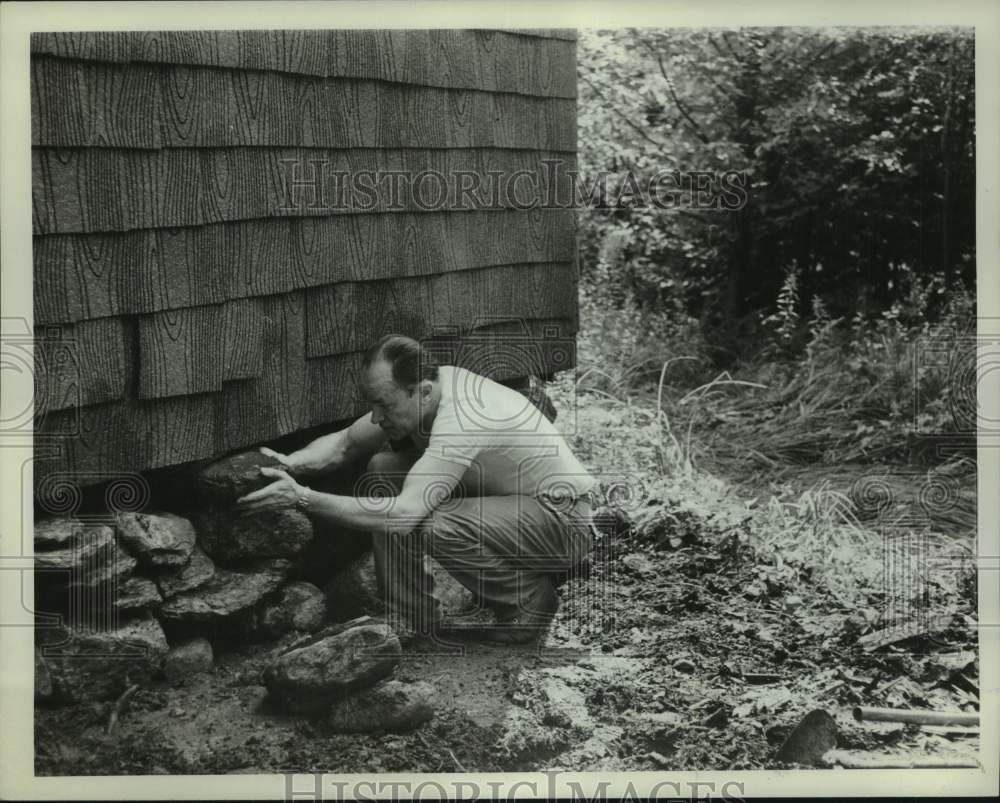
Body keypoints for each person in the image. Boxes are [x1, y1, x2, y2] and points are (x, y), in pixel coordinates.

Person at [236, 333, 597, 643]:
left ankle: (528, 603)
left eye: (385, 405)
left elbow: (405, 515)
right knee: (382, 469)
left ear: (422, 392)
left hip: (562, 520)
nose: (377, 417)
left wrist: (301, 497)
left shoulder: (464, 416)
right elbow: (345, 443)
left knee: (432, 522)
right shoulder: (428, 391)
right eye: (373, 405)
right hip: (512, 504)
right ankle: (413, 617)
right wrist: (287, 464)